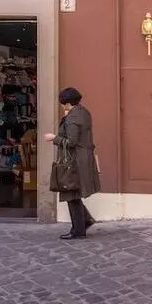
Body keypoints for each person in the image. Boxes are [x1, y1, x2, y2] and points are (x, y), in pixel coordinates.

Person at [44, 87, 100, 239]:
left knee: (71, 193)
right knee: (74, 193)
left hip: (73, 161)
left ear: (67, 103)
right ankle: (84, 221)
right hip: (82, 159)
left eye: (63, 103)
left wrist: (53, 138)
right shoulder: (83, 112)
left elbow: (72, 142)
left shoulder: (72, 118)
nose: (62, 106)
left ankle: (78, 230)